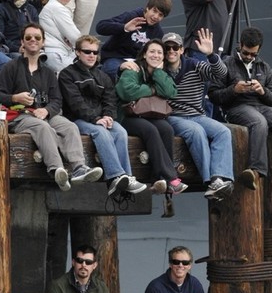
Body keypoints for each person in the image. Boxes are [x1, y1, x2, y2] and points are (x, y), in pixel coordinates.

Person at [0, 22, 103, 190]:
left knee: (69, 126)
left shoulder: (48, 71)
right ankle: (57, 169)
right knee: (42, 127)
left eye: (37, 37)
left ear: (43, 42)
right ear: (22, 42)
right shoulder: (11, 67)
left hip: (45, 114)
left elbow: (57, 100)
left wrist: (47, 110)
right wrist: (15, 97)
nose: (33, 40)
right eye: (28, 37)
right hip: (21, 116)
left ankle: (79, 168)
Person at [209, 26, 272, 193]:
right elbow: (213, 95)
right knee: (259, 123)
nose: (249, 57)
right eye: (245, 53)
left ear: (259, 50)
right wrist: (234, 90)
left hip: (262, 105)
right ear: (240, 45)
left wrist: (262, 91)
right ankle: (256, 171)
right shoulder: (226, 64)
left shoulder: (264, 67)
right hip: (237, 107)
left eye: (253, 54)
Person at [58, 34, 147, 198]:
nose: (92, 55)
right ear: (77, 52)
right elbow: (75, 103)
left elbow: (110, 100)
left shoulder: (103, 76)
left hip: (100, 118)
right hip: (78, 119)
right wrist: (96, 119)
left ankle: (126, 177)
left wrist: (108, 116)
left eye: (95, 52)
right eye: (87, 51)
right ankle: (115, 176)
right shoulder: (67, 74)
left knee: (120, 131)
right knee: (100, 132)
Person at [163, 28, 234, 201]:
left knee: (223, 131)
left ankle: (220, 177)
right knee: (196, 132)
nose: (171, 51)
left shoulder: (194, 65)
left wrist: (211, 55)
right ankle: (209, 180)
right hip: (174, 117)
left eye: (175, 47)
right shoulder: (158, 70)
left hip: (197, 114)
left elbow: (222, 75)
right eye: (167, 48)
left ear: (182, 50)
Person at [114, 39, 186, 195]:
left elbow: (170, 92)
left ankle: (158, 179)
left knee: (166, 129)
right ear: (144, 54)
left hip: (150, 115)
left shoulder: (162, 72)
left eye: (160, 52)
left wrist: (158, 73)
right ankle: (171, 177)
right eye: (152, 51)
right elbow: (127, 92)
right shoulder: (133, 69)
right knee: (150, 130)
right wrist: (152, 90)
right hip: (127, 116)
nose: (156, 55)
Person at [96, 0, 172, 79]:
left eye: (160, 15)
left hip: (138, 63)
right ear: (147, 8)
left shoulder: (158, 33)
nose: (155, 16)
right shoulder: (131, 17)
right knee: (126, 75)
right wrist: (124, 27)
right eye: (154, 11)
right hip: (114, 58)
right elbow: (100, 27)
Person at [38, 0, 80, 73]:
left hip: (61, 54)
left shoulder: (56, 6)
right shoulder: (56, 8)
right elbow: (75, 37)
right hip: (57, 56)